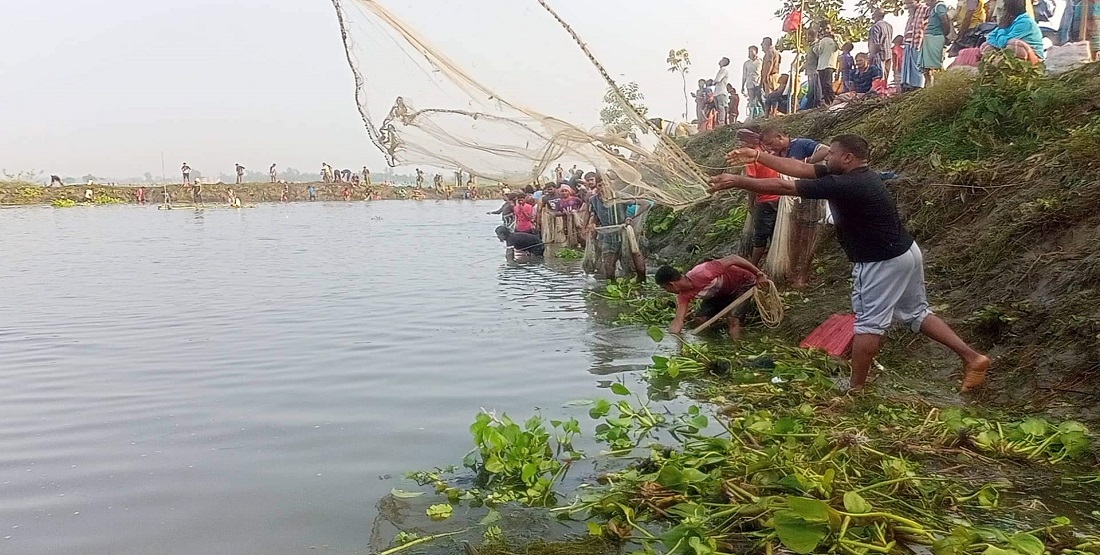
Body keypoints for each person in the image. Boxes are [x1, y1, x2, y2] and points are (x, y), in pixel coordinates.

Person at [712, 134, 991, 392]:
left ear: (847, 158)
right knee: (916, 313)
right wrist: (757, 157)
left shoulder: (847, 184)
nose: (826, 157)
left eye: (831, 153)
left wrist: (738, 181)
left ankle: (855, 388)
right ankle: (973, 358)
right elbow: (798, 169)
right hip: (905, 253)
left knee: (868, 324)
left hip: (881, 261)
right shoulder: (854, 175)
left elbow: (786, 185)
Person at [656, 255, 768, 338]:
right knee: (700, 320)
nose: (668, 291)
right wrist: (673, 337)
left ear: (671, 284)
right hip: (719, 294)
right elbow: (678, 320)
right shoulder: (683, 296)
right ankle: (713, 340)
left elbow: (734, 258)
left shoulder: (704, 272)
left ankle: (736, 349)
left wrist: (759, 274)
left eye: (666, 288)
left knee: (733, 320)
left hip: (742, 284)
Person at [585, 173, 650, 282]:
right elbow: (596, 213)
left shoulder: (619, 196)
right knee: (608, 267)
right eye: (600, 185)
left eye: (605, 185)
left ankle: (641, 283)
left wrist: (631, 217)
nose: (603, 188)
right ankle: (612, 286)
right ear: (597, 187)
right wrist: (593, 224)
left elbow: (645, 204)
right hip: (608, 236)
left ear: (610, 185)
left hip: (624, 234)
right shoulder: (593, 200)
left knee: (635, 263)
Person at [738, 127, 781, 267]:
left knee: (760, 236)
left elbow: (752, 185)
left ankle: (752, 266)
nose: (741, 144)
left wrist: (751, 204)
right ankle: (773, 263)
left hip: (765, 200)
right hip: (779, 198)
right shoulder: (768, 152)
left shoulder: (752, 158)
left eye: (743, 141)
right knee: (774, 233)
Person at [921, 0, 953, 87]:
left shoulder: (940, 6)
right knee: (927, 67)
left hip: (936, 37)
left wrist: (945, 34)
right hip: (931, 37)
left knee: (935, 65)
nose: (925, 2)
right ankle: (929, 87)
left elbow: (945, 21)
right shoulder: (934, 8)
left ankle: (939, 86)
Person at [901, 0, 931, 91]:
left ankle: (918, 87)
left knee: (917, 67)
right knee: (908, 68)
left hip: (918, 43)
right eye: (907, 3)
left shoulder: (925, 9)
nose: (908, 5)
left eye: (911, 2)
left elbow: (927, 26)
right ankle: (909, 87)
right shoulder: (911, 13)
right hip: (909, 43)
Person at [813, 23, 840, 106]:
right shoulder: (821, 40)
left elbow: (841, 46)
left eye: (827, 29)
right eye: (824, 29)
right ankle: (827, 102)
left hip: (830, 64)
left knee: (828, 84)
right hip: (821, 65)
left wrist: (834, 37)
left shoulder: (836, 37)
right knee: (823, 86)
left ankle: (833, 100)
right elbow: (817, 51)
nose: (826, 31)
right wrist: (818, 41)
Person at [868, 10, 895, 80]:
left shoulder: (875, 27)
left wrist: (871, 56)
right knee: (885, 76)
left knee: (878, 76)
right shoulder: (889, 26)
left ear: (876, 16)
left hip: (879, 54)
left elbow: (875, 44)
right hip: (888, 52)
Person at [740, 50, 762, 120]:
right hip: (750, 83)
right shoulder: (746, 63)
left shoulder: (760, 61)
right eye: (749, 52)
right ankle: (751, 116)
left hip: (759, 83)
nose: (750, 53)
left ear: (756, 52)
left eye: (752, 51)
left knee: (760, 99)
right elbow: (744, 75)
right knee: (751, 100)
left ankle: (761, 115)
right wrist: (742, 86)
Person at [714, 57, 732, 127]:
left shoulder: (723, 70)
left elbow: (717, 80)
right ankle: (721, 121)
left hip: (721, 91)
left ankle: (722, 122)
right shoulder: (721, 70)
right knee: (719, 108)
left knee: (721, 107)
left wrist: (712, 82)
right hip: (718, 91)